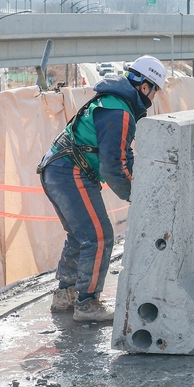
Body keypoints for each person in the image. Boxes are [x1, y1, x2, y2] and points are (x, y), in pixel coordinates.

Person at [38, 55, 167, 322]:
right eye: (155, 90)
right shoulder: (118, 111)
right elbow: (114, 167)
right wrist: (138, 197)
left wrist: (144, 182)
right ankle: (87, 304)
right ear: (145, 87)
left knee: (80, 234)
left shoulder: (114, 104)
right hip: (69, 171)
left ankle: (66, 295)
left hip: (58, 168)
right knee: (99, 235)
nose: (153, 97)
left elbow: (123, 155)